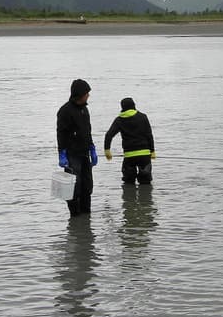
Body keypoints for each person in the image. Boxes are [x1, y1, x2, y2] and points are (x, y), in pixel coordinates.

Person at [57, 79, 97, 217]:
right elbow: (60, 133)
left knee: (87, 186)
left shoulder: (85, 110)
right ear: (80, 94)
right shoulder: (64, 111)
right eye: (87, 93)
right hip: (71, 155)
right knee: (73, 187)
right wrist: (61, 153)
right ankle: (74, 216)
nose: (88, 96)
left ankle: (86, 217)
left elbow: (88, 130)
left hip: (84, 153)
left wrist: (92, 147)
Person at [103, 97, 155, 186]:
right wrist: (152, 151)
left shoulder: (119, 120)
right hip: (144, 155)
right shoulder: (143, 117)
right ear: (134, 106)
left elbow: (109, 135)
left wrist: (107, 150)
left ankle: (129, 199)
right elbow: (149, 135)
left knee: (129, 182)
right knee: (145, 183)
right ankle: (146, 199)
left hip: (129, 156)